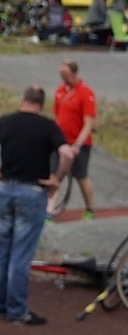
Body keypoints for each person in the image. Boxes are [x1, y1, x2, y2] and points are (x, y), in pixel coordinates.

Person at [0, 86, 75, 325]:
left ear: (23, 99)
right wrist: (56, 178)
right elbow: (67, 154)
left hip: (6, 189)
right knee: (21, 253)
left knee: (2, 250)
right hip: (32, 191)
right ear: (42, 104)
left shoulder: (7, 122)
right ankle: (17, 309)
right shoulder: (48, 127)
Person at [52, 60, 97, 221]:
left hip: (79, 144)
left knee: (81, 176)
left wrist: (78, 144)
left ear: (74, 73)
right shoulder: (59, 91)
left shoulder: (86, 93)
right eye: (61, 75)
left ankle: (90, 209)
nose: (64, 79)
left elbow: (88, 123)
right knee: (55, 176)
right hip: (61, 143)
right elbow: (57, 116)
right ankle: (48, 212)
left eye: (66, 75)